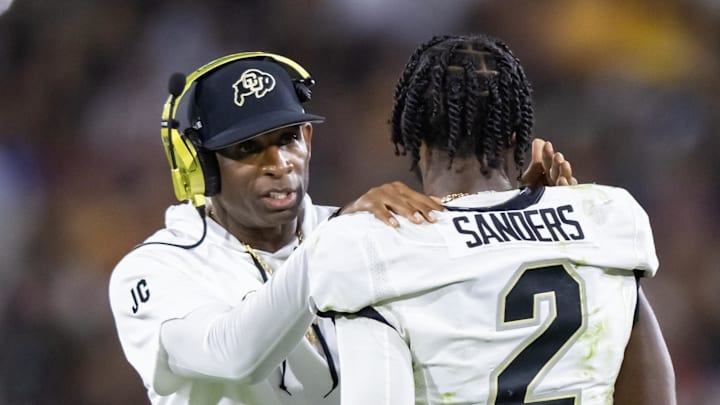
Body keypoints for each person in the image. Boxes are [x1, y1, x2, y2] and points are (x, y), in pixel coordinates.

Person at [108, 52, 576, 405]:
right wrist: (336, 242)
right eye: (247, 148)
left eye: (288, 138)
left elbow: (475, 323)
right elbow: (233, 354)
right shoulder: (157, 269)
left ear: (307, 140)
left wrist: (516, 224)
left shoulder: (358, 228)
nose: (278, 164)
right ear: (199, 164)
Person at [305, 34, 676, 405]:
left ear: (412, 135)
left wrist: (343, 219)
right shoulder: (606, 217)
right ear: (516, 135)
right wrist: (567, 226)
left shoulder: (374, 242)